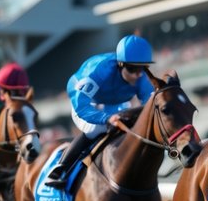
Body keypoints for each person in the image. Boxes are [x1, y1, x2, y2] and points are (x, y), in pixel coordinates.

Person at [45, 35, 155, 189]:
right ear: (120, 64)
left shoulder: (141, 77)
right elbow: (82, 107)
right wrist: (106, 118)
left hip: (114, 102)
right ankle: (60, 169)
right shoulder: (99, 71)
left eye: (143, 68)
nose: (138, 75)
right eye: (133, 69)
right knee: (96, 129)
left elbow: (150, 107)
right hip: (86, 101)